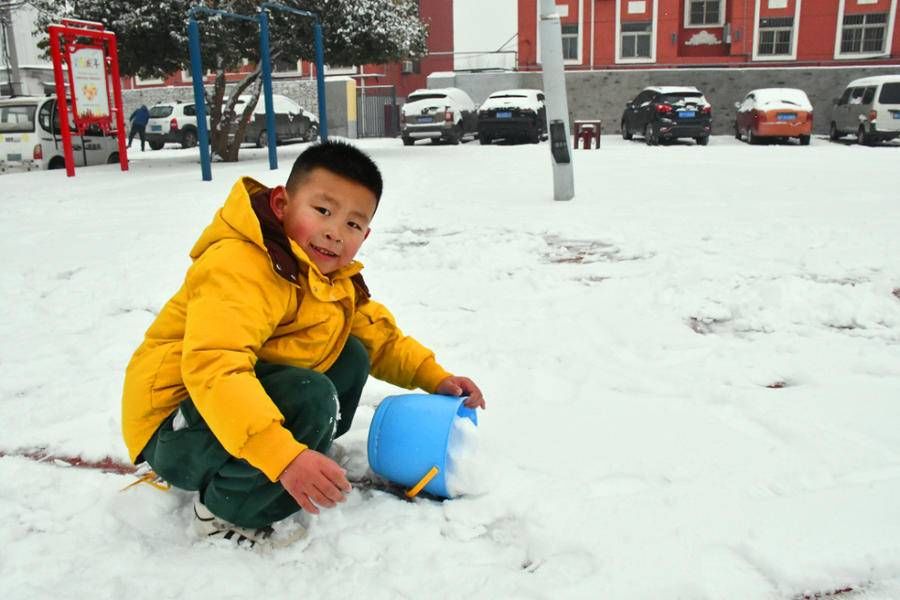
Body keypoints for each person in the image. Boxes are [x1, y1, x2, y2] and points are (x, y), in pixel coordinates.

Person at [122, 141, 485, 547]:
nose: (334, 232)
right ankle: (226, 508)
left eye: (352, 224)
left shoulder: (327, 276)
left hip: (221, 416)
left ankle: (288, 455)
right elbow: (215, 369)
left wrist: (435, 377)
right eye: (323, 211)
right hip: (174, 427)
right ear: (281, 204)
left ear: (366, 235)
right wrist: (283, 456)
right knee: (310, 394)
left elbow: (380, 338)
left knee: (351, 353)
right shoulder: (239, 266)